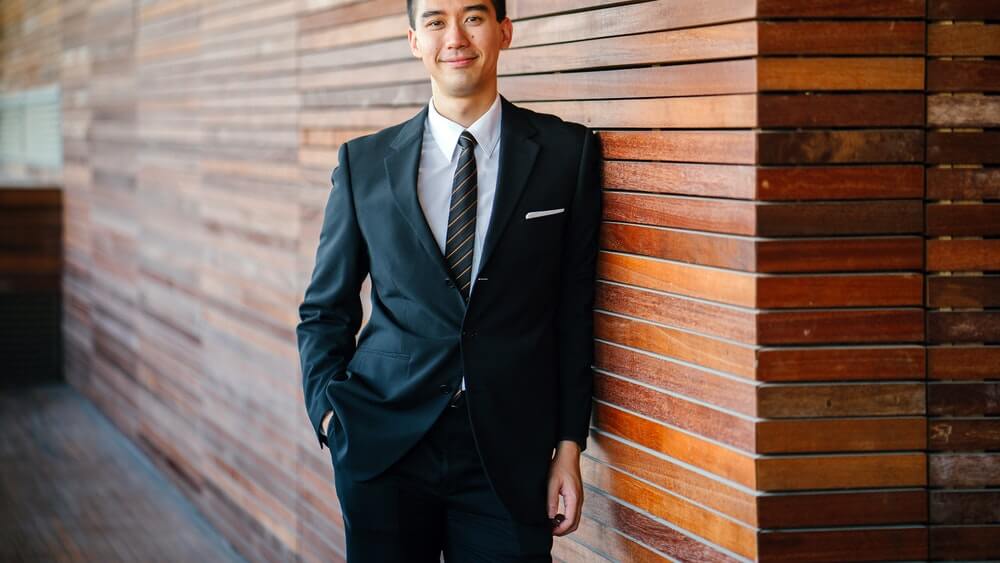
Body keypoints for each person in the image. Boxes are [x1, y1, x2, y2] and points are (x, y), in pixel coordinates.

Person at [296, 0, 601, 560]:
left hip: (508, 456)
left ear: (505, 31)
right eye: (435, 20)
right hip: (382, 447)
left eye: (474, 17)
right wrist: (329, 413)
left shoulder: (567, 154)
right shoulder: (364, 163)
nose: (455, 36)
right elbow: (325, 309)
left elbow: (573, 313)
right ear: (415, 40)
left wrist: (568, 446)